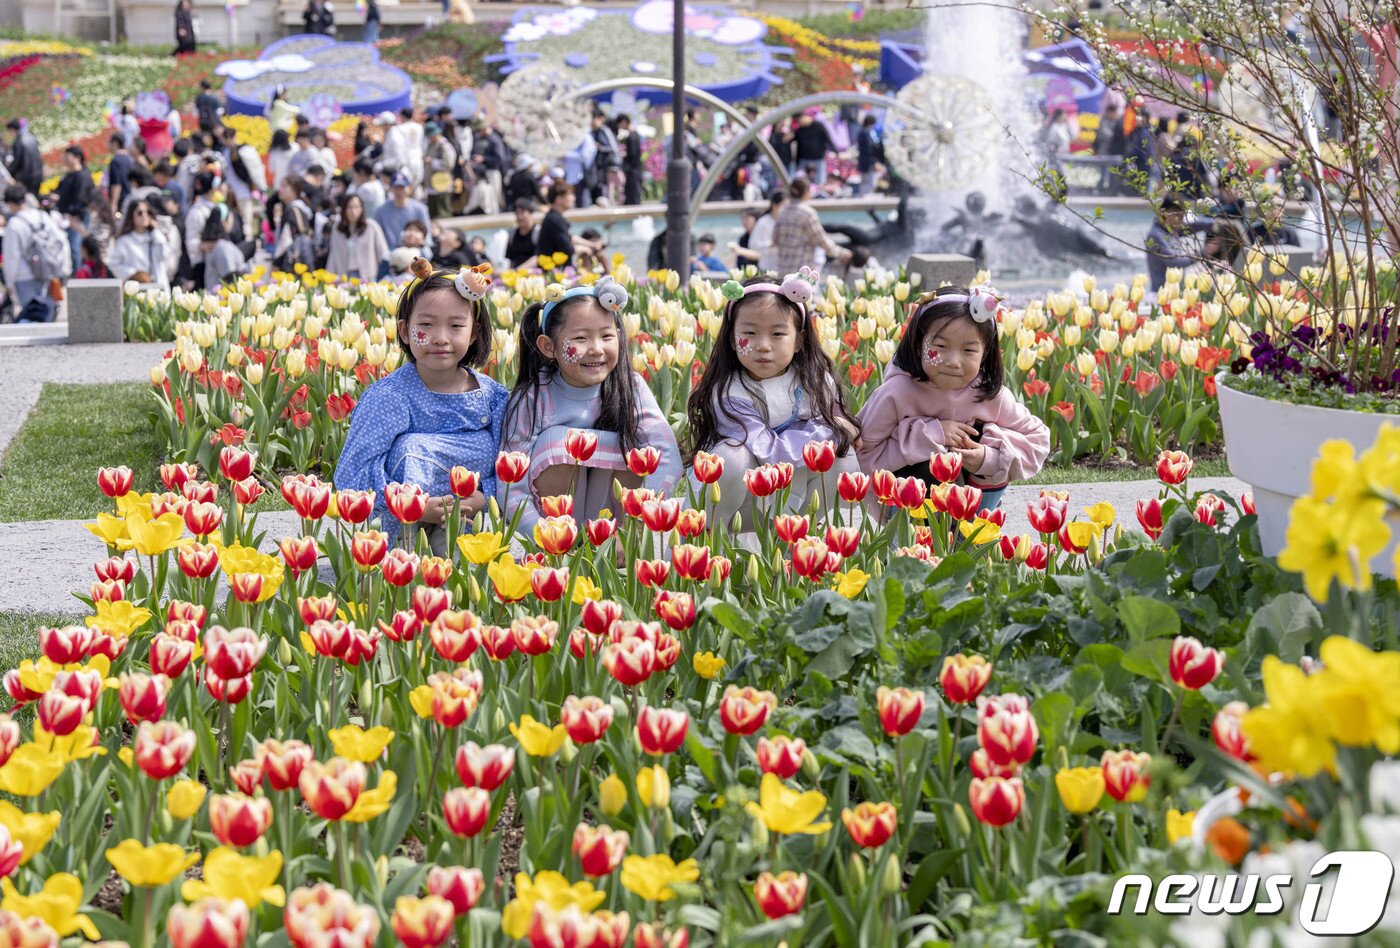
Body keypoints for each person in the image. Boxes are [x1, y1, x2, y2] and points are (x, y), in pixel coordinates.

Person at [335, 259, 506, 554]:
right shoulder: (390, 397)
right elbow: (351, 474)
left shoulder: (492, 397)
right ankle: (403, 558)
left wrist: (484, 496)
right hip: (400, 524)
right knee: (411, 449)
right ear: (404, 331)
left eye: (456, 326)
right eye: (426, 325)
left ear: (474, 333)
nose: (441, 338)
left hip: (467, 518)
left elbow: (512, 468)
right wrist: (414, 506)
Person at [498, 276, 682, 537]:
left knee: (642, 455)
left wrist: (637, 526)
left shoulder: (630, 388)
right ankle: (571, 544)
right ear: (548, 346)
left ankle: (612, 542)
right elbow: (510, 486)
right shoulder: (534, 397)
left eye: (606, 336)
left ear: (619, 338)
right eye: (581, 338)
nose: (596, 349)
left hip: (619, 526)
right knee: (557, 442)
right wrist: (543, 536)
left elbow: (669, 458)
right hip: (556, 525)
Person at [685, 272, 862, 536]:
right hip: (739, 503)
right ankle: (702, 540)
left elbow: (838, 425)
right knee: (731, 457)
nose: (763, 346)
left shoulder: (814, 380)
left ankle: (798, 538)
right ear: (733, 340)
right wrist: (833, 430)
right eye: (750, 333)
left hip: (790, 495)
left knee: (842, 457)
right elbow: (769, 451)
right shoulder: (729, 393)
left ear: (800, 340)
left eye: (778, 333)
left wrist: (840, 429)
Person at [856, 284, 1050, 512]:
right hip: (906, 513)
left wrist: (987, 458)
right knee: (930, 464)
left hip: (973, 513)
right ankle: (912, 537)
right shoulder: (897, 393)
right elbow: (861, 457)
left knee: (990, 437)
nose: (953, 361)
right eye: (940, 346)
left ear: (985, 353)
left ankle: (971, 534)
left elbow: (1039, 440)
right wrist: (930, 435)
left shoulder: (987, 394)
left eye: (968, 351)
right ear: (919, 344)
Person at [2, 185, 67, 322]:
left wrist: (9, 282)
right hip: (46, 271)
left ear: (10, 203)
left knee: (31, 313)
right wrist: (60, 266)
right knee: (45, 311)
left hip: (24, 275)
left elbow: (11, 257)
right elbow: (60, 239)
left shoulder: (14, 224)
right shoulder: (42, 216)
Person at [768, 177, 849, 274]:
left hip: (783, 270)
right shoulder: (807, 213)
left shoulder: (782, 211)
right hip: (802, 271)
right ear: (806, 192)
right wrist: (841, 253)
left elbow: (775, 239)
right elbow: (821, 240)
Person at [109, 198, 175, 289]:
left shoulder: (157, 236)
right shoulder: (124, 241)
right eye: (140, 213)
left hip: (159, 286)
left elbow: (166, 256)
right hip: (137, 288)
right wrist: (134, 274)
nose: (144, 216)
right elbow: (114, 264)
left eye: (148, 212)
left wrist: (156, 231)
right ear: (132, 216)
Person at [325, 192, 389, 280]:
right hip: (344, 276)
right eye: (349, 207)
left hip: (368, 276)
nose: (353, 211)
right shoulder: (337, 229)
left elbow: (383, 253)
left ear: (362, 209)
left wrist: (382, 276)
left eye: (356, 207)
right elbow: (333, 255)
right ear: (344, 209)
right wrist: (329, 277)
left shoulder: (371, 227)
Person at [1144, 195, 1199, 292]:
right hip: (1160, 294)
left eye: (1183, 216)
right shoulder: (1155, 236)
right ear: (1164, 213)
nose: (1182, 221)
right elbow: (1175, 262)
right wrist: (1203, 253)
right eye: (1179, 216)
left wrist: (1214, 224)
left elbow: (1195, 225)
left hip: (1173, 293)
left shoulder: (1171, 229)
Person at [56, 146, 97, 273]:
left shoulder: (83, 176)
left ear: (77, 158)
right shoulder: (70, 175)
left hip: (78, 217)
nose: (64, 159)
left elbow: (82, 198)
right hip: (68, 217)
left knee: (76, 247)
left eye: (67, 156)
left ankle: (78, 275)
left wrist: (74, 214)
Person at [374, 171, 432, 251]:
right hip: (390, 254)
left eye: (402, 188)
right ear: (390, 188)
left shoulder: (420, 209)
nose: (399, 192)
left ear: (409, 188)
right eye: (396, 188)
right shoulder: (381, 211)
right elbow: (377, 237)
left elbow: (427, 236)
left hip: (416, 252)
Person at [272, 174, 316, 272]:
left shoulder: (292, 209)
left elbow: (285, 240)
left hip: (293, 262)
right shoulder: (303, 207)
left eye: (284, 186)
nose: (280, 189)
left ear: (294, 189)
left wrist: (276, 263)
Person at [199, 211, 248, 289]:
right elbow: (229, 276)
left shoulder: (214, 244)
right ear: (224, 221)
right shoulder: (222, 247)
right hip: (223, 296)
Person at [422, 122, 458, 219]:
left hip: (442, 185)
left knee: (443, 214)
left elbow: (448, 164)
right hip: (431, 186)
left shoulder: (444, 146)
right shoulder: (431, 145)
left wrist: (432, 162)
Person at [536, 182, 576, 266]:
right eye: (570, 195)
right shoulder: (554, 220)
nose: (573, 198)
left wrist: (591, 244)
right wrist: (583, 249)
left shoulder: (554, 217)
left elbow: (569, 237)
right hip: (555, 272)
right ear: (559, 199)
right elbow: (567, 249)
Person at [792, 112, 833, 187]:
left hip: (818, 158)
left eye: (798, 121)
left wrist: (831, 151)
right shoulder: (800, 130)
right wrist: (797, 162)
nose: (798, 123)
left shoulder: (818, 126)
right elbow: (797, 146)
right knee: (802, 182)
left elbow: (828, 139)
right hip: (804, 159)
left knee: (819, 181)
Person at [5, 120, 43, 196]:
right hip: (38, 173)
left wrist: (8, 172)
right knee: (35, 197)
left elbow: (17, 161)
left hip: (25, 176)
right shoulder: (31, 137)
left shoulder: (18, 142)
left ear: (12, 129)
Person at [615, 115, 644, 206]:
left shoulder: (631, 136)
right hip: (636, 167)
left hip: (633, 168)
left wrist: (625, 156)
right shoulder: (635, 134)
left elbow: (633, 153)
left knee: (632, 190)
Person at [506, 198, 539, 269]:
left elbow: (538, 257)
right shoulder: (512, 233)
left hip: (534, 275)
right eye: (517, 213)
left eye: (522, 213)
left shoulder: (538, 232)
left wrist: (517, 271)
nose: (519, 217)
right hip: (516, 275)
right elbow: (511, 260)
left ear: (530, 213)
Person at [856, 115, 885, 197]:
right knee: (871, 182)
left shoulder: (861, 132)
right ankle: (863, 199)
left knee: (864, 181)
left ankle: (861, 197)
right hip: (869, 162)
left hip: (863, 161)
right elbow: (872, 147)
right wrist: (875, 161)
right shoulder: (870, 132)